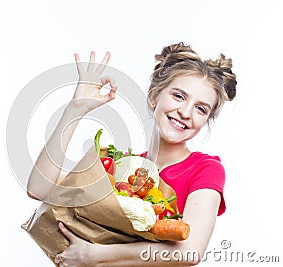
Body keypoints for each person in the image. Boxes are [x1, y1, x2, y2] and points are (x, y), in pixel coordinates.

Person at [26, 42, 237, 266]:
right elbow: (39, 189)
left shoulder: (205, 168)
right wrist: (75, 110)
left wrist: (94, 256)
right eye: (179, 96)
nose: (186, 112)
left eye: (201, 108)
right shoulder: (124, 167)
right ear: (154, 96)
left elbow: (190, 251)